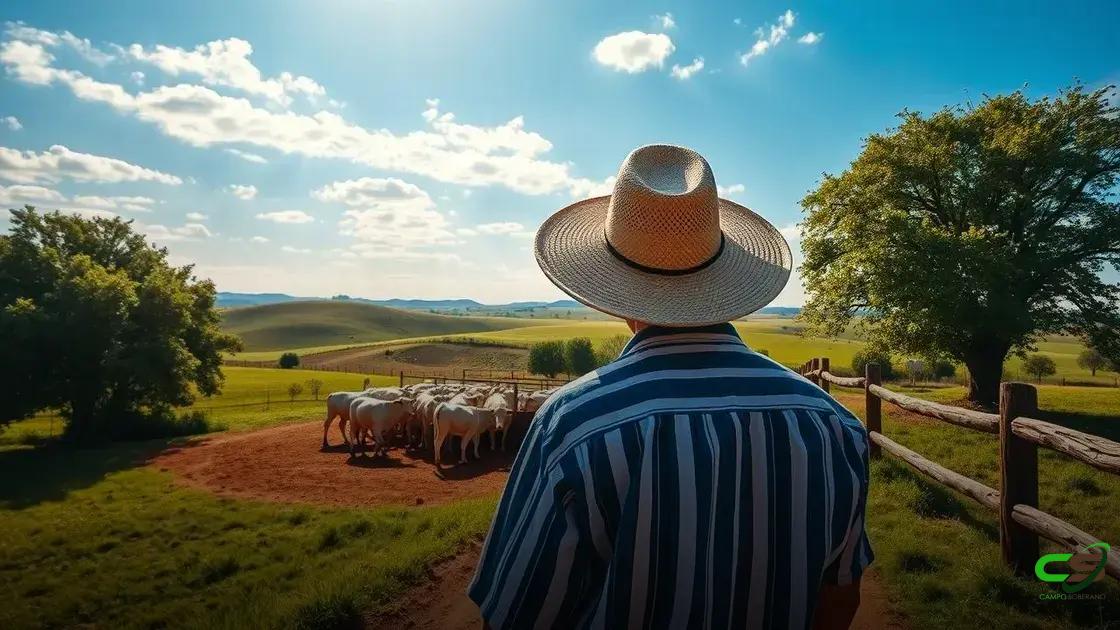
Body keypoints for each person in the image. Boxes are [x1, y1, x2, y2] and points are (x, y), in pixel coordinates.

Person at [468, 144, 873, 629]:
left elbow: (517, 614)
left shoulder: (574, 425)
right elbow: (840, 597)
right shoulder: (833, 425)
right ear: (727, 277)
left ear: (613, 292)